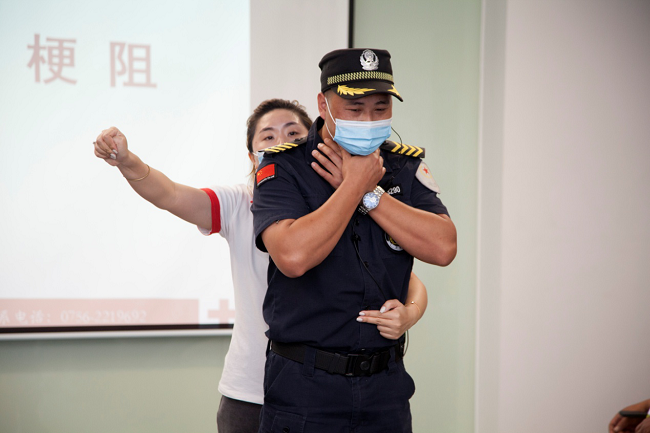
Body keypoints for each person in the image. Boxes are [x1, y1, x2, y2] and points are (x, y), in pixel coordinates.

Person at [93, 98, 430, 433]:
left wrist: (409, 313)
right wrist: (128, 161)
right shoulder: (239, 203)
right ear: (252, 157)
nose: (281, 142)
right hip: (250, 391)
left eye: (293, 134)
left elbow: (405, 278)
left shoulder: (346, 201)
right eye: (268, 137)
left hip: (323, 393)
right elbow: (170, 195)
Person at [252, 49, 457, 432]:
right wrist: (352, 187)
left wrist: (370, 194)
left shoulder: (403, 165)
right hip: (305, 385)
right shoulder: (284, 166)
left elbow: (443, 247)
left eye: (380, 109)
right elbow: (293, 257)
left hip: (385, 385)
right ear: (323, 105)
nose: (369, 121)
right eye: (355, 109)